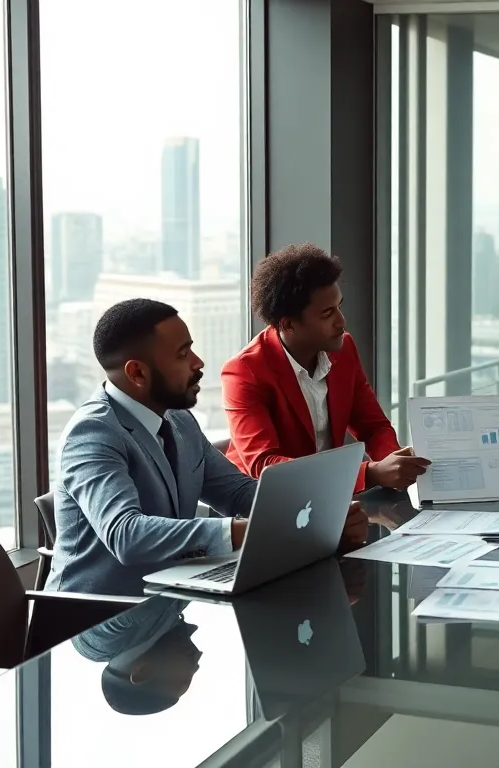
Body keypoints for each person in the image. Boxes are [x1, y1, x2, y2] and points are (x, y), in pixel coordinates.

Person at [47, 298, 369, 596]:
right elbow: (126, 535)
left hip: (171, 599)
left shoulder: (179, 420)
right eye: (182, 354)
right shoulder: (92, 433)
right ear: (138, 372)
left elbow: (238, 492)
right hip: (97, 619)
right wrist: (258, 531)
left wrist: (323, 514)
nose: (198, 363)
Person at [222, 243, 429, 493]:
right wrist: (370, 474)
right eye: (328, 313)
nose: (341, 321)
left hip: (330, 494)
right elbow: (265, 465)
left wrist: (394, 463)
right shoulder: (244, 372)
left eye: (339, 306)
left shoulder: (344, 349)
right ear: (288, 325)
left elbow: (373, 427)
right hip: (266, 500)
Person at [72, 598, 202, 716]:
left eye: (184, 679)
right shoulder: (169, 617)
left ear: (142, 671)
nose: (196, 667)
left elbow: (133, 595)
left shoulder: (98, 643)